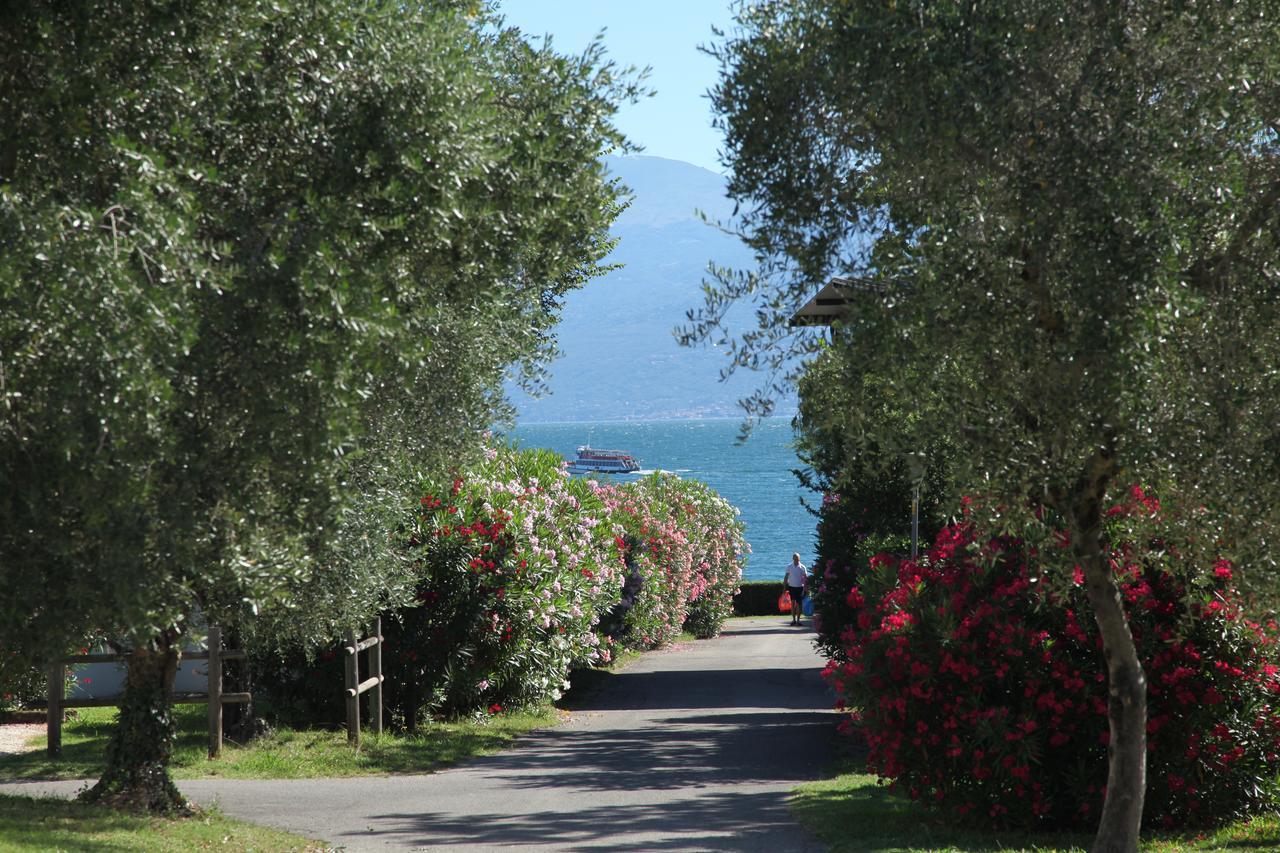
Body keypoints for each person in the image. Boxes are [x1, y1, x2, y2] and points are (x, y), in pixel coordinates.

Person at [782, 553, 808, 626]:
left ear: (799, 558)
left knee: (799, 604)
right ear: (792, 558)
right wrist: (784, 588)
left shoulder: (802, 567)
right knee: (793, 603)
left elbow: (806, 578)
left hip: (800, 587)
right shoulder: (789, 566)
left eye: (797, 558)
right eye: (794, 558)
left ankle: (798, 620)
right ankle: (793, 620)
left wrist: (806, 588)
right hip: (792, 587)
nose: (796, 559)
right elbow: (786, 577)